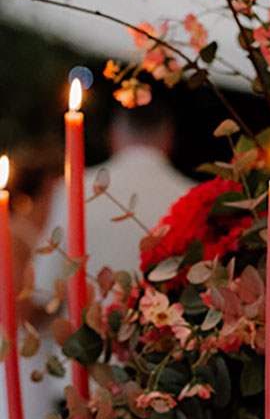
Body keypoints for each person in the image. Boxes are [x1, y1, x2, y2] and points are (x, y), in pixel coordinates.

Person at [48, 97, 196, 287]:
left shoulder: (74, 188)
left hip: (82, 314)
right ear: (170, 139)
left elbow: (46, 281)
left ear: (112, 135)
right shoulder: (190, 197)